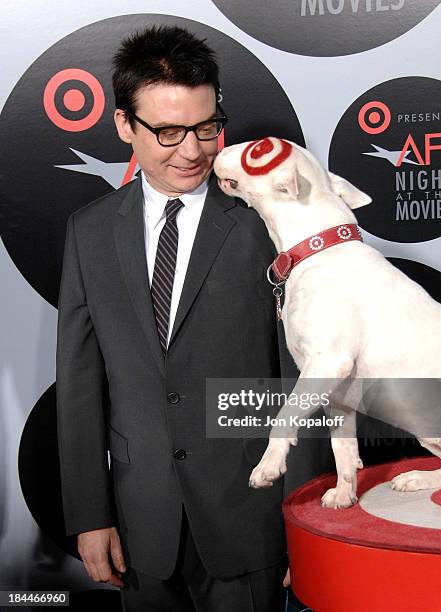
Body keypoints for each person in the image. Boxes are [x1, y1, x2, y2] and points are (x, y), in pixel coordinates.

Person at [56, 24, 330, 611]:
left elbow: (306, 377)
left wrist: (304, 517)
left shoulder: (270, 220)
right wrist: (90, 515)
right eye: (169, 131)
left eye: (208, 128)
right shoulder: (90, 232)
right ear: (124, 126)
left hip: (252, 523)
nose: (193, 150)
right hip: (141, 527)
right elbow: (80, 388)